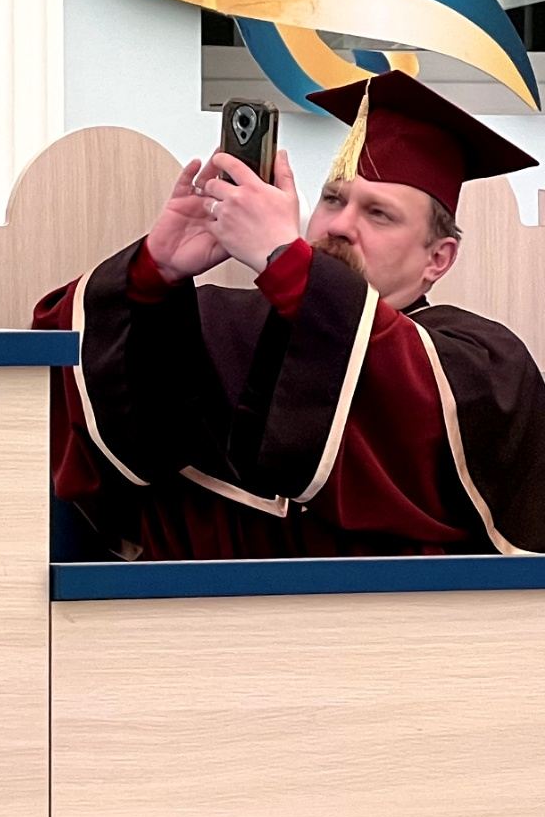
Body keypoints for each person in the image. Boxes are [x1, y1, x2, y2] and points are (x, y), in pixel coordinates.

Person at [36, 70, 545, 559]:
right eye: (333, 200)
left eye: (378, 214)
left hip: (385, 618)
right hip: (184, 613)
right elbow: (46, 383)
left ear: (438, 259)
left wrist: (287, 263)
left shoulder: (478, 362)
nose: (339, 225)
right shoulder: (211, 321)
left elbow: (399, 384)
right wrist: (152, 271)